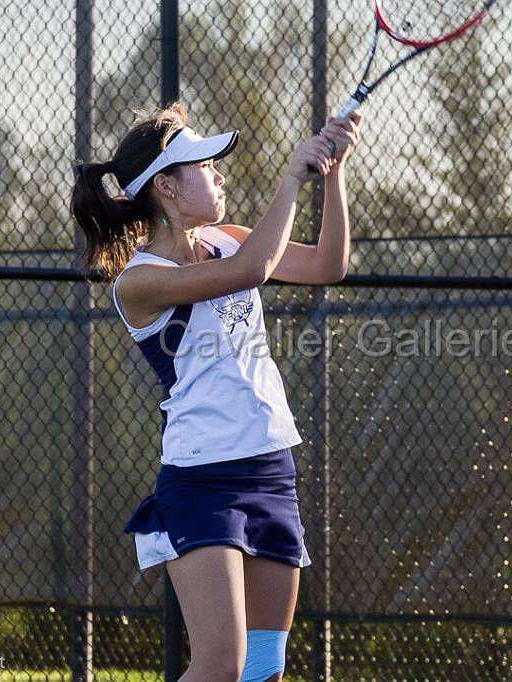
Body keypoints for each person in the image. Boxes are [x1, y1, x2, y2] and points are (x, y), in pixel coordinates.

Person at [70, 101, 363, 682]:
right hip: (202, 480)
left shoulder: (227, 239)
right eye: (204, 165)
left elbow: (329, 265)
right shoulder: (140, 282)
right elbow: (256, 269)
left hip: (271, 467)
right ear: (168, 188)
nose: (220, 173)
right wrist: (290, 178)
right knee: (220, 666)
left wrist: (334, 175)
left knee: (263, 667)